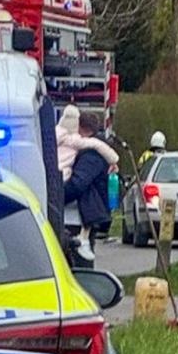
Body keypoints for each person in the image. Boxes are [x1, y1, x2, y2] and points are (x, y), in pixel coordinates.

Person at [63, 111, 117, 266]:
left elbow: (77, 184)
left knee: (79, 268)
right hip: (79, 218)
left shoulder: (91, 154)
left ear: (80, 128)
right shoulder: (93, 151)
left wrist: (55, 196)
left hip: (78, 219)